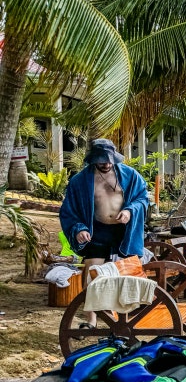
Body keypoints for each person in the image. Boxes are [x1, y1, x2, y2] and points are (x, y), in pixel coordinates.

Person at [59, 139, 150, 328]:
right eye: (102, 161)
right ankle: (90, 318)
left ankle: (117, 318)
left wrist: (130, 210)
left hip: (123, 231)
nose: (107, 164)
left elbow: (143, 197)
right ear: (93, 160)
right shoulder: (80, 181)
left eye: (110, 161)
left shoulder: (130, 175)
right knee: (93, 272)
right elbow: (68, 212)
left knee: (120, 273)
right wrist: (79, 229)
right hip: (96, 231)